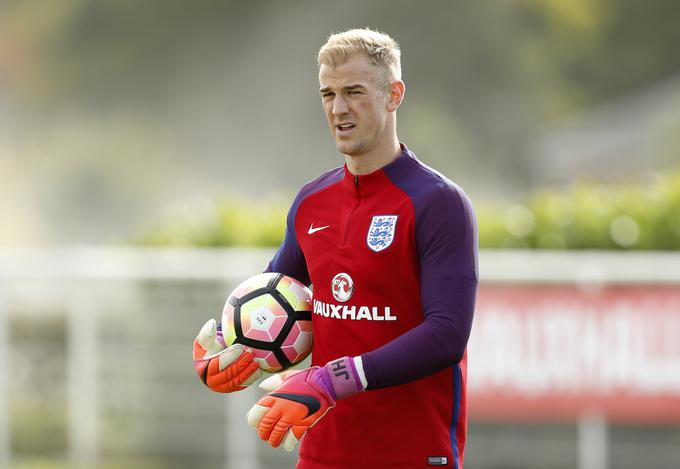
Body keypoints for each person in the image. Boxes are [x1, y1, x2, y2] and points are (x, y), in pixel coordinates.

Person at [193, 28, 478, 469]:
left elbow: (446, 335)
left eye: (354, 92)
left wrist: (332, 380)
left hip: (414, 454)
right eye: (328, 94)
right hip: (323, 455)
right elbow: (270, 304)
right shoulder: (311, 202)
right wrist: (230, 350)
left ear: (393, 95)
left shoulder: (439, 202)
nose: (338, 108)